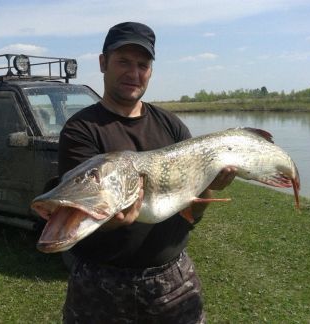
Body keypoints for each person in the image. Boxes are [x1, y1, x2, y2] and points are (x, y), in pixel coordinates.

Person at [58, 21, 236, 324]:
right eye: (124, 62)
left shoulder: (171, 125)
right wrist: (109, 222)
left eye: (143, 64)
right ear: (103, 63)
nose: (134, 73)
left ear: (151, 70)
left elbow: (194, 209)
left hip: (171, 278)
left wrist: (209, 183)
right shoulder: (81, 129)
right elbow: (81, 207)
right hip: (101, 283)